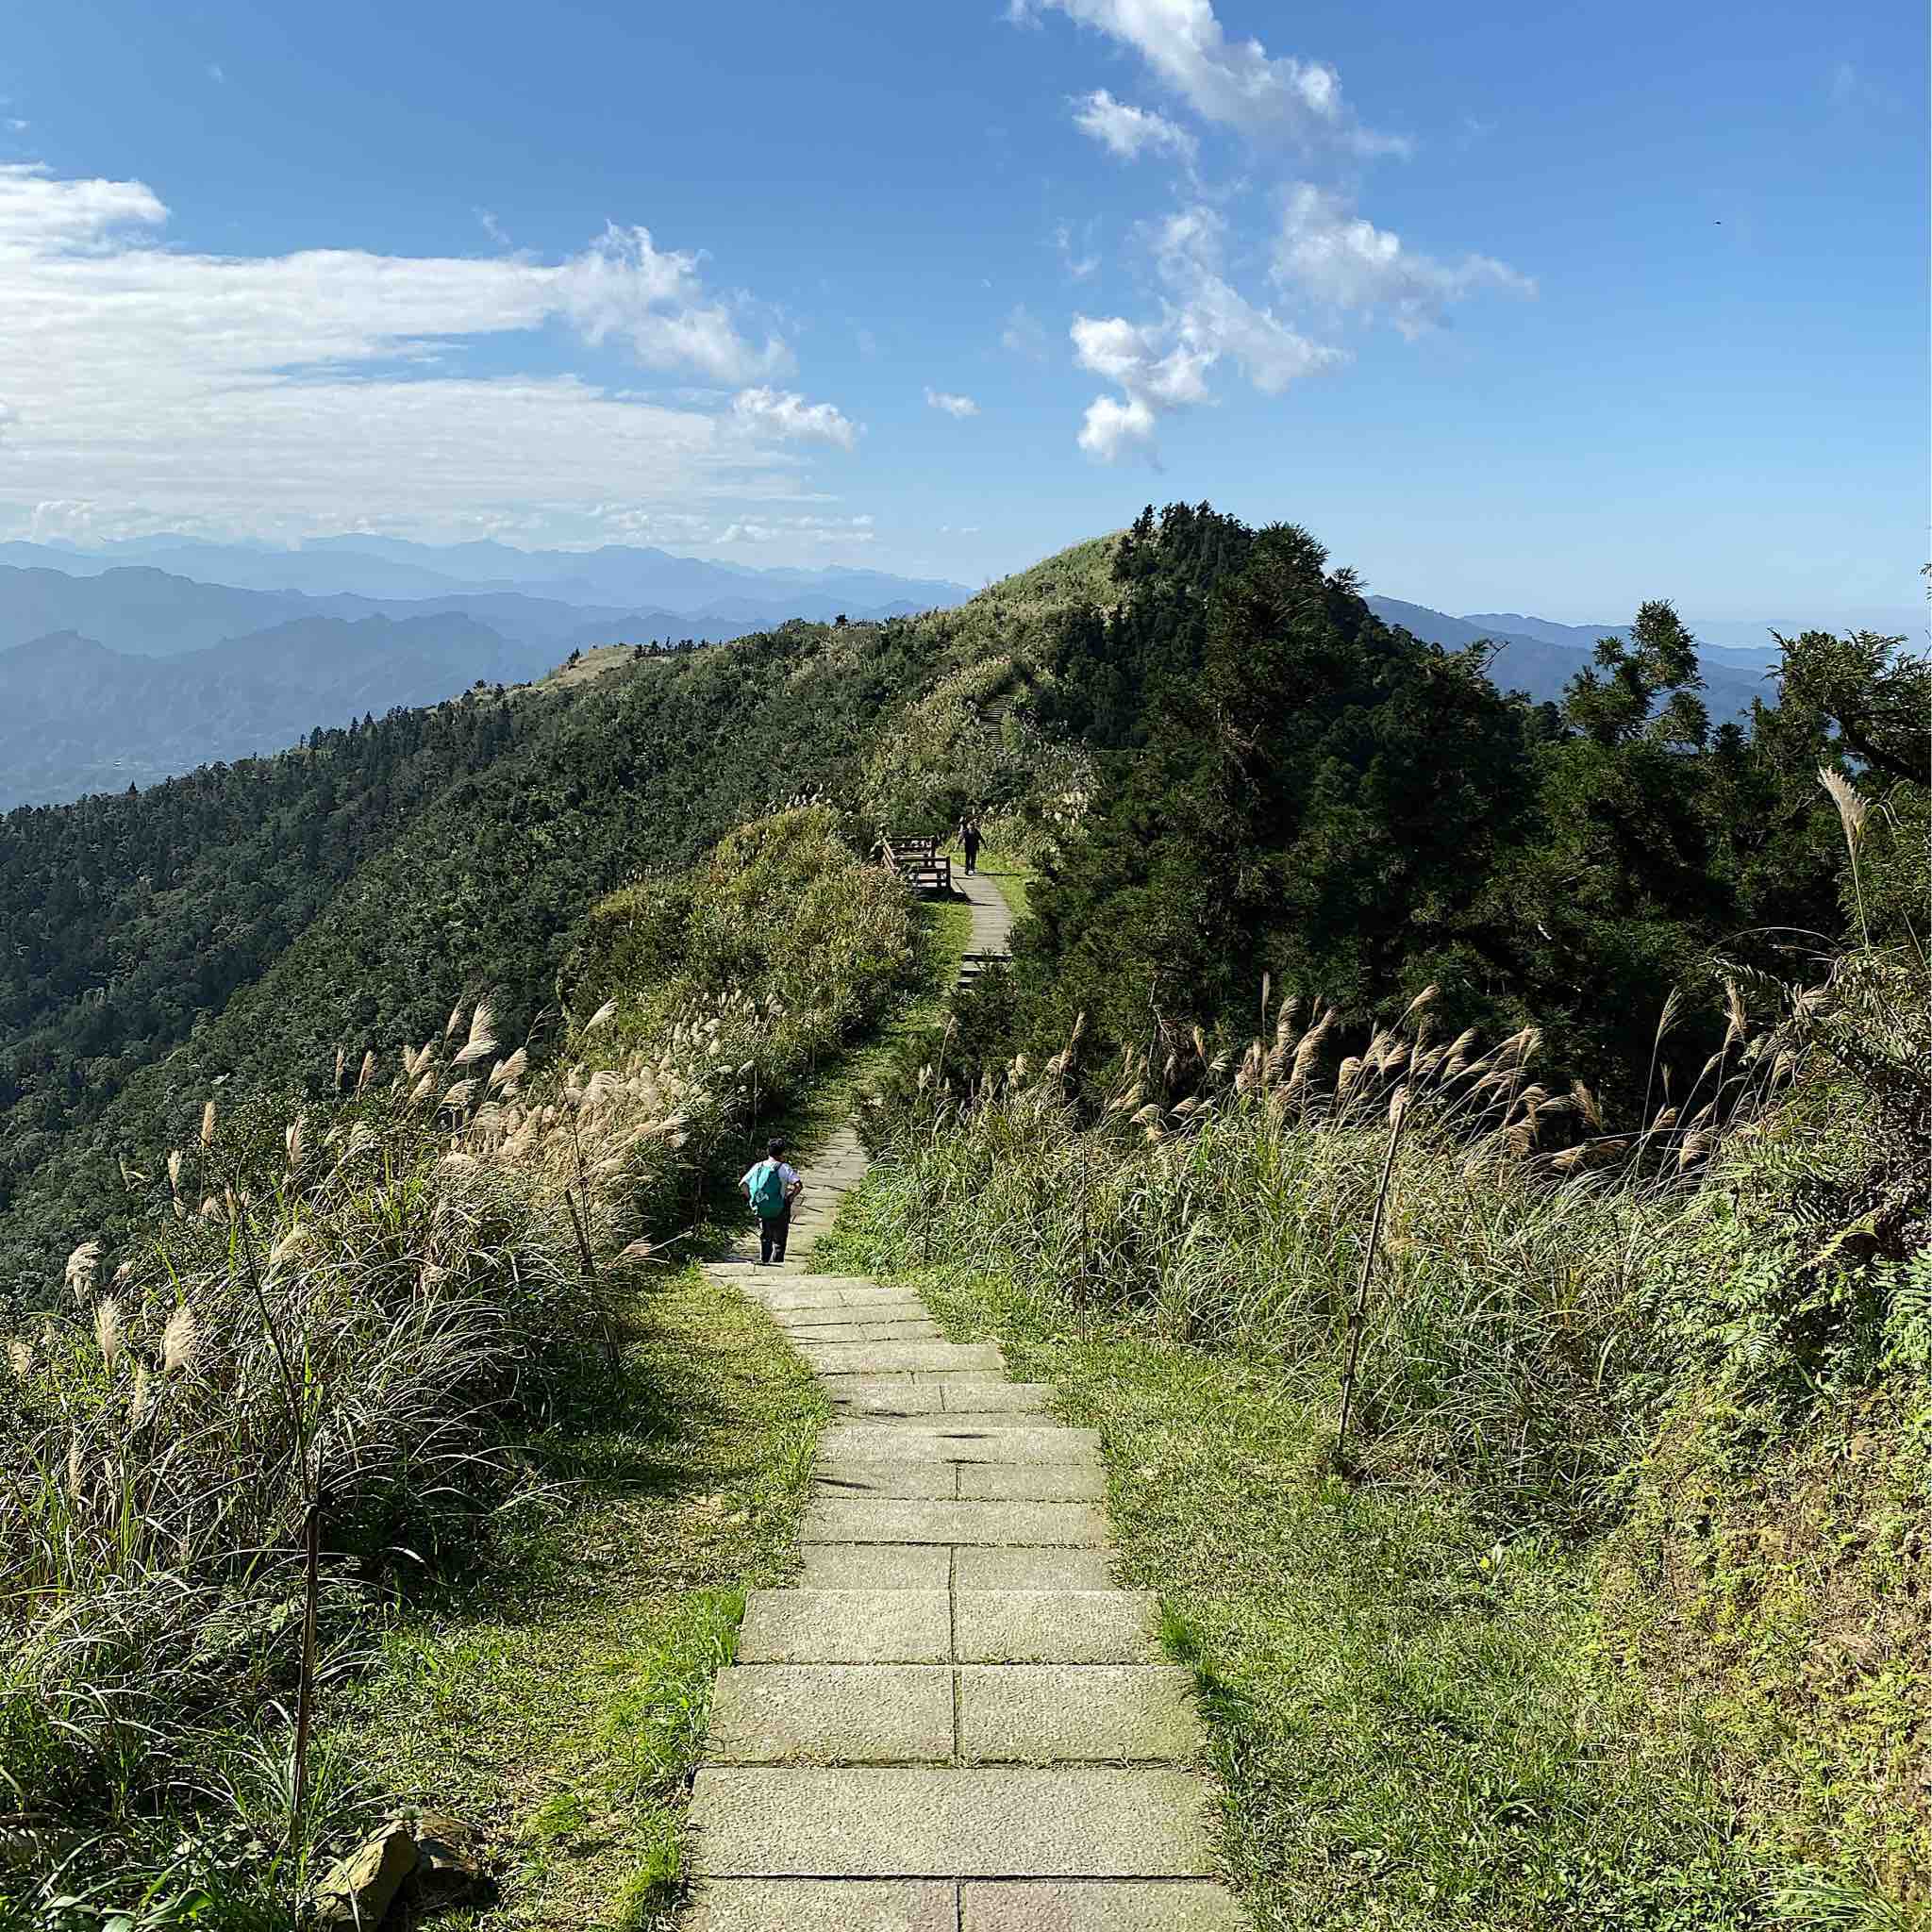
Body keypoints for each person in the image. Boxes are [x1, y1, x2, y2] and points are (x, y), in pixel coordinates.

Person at [741, 1138, 803, 1264]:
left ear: (767, 1151)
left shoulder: (758, 1166)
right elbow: (798, 1185)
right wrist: (790, 1197)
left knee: (765, 1237)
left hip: (762, 1206)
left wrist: (751, 1198)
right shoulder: (784, 1168)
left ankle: (764, 1261)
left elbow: (742, 1184)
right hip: (781, 1207)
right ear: (782, 1153)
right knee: (779, 1240)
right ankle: (777, 1264)